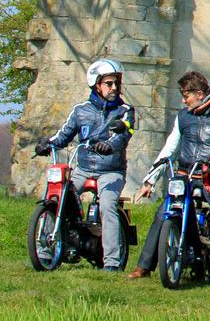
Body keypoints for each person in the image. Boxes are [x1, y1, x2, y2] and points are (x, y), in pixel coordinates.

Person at [129, 71, 210, 281]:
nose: (183, 100)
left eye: (186, 95)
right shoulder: (183, 116)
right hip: (185, 174)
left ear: (200, 94)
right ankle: (144, 267)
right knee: (162, 213)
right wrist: (150, 180)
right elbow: (169, 150)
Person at [33, 58, 136, 271]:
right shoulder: (81, 110)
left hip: (111, 171)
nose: (114, 88)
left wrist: (109, 145)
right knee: (59, 194)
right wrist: (47, 143)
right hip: (83, 169)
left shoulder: (125, 110)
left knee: (108, 205)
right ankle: (49, 249)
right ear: (96, 85)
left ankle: (112, 263)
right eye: (109, 83)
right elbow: (64, 135)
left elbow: (124, 134)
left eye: (117, 82)